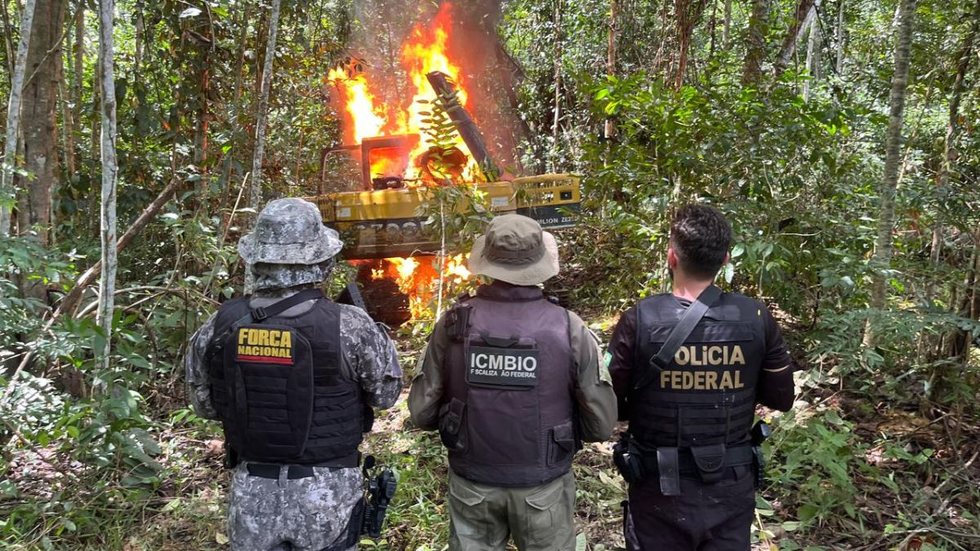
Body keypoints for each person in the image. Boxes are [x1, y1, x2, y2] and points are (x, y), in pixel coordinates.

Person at [185, 198, 403, 551]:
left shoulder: (220, 326)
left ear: (257, 260)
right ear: (321, 261)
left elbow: (204, 405)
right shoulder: (350, 326)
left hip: (252, 495)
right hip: (326, 496)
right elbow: (385, 396)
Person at [408, 213, 617, 551]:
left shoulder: (453, 324)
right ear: (538, 263)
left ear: (488, 262)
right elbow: (601, 425)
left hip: (472, 484)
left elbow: (421, 412)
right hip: (543, 486)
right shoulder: (568, 326)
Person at [607, 204, 796, 550]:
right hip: (729, 485)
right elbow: (781, 399)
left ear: (672, 257)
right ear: (726, 259)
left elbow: (611, 403)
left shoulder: (639, 319)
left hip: (659, 487)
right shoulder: (756, 317)